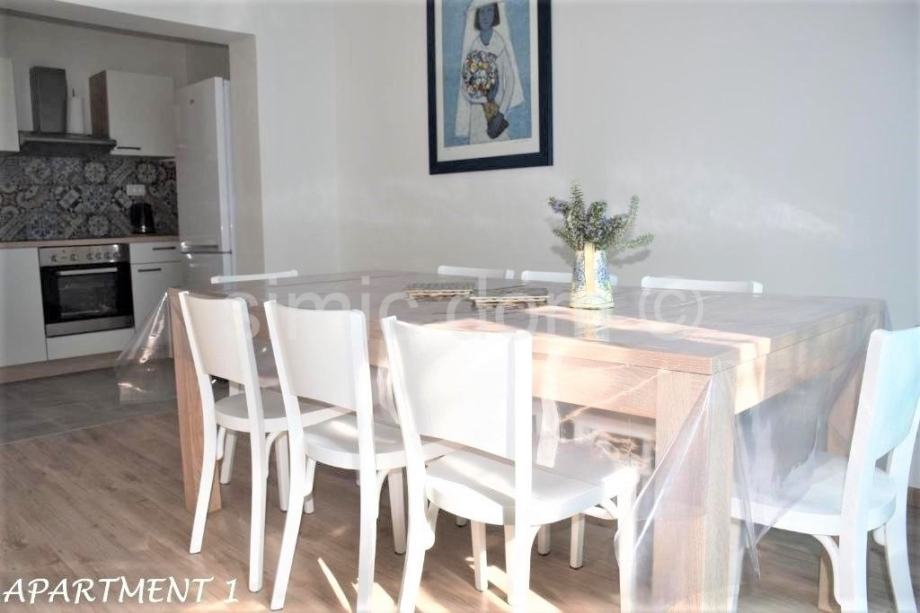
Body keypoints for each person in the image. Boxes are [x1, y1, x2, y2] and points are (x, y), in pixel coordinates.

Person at [455, 0, 524, 144]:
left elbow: (510, 80)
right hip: (477, 116)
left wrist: (501, 113)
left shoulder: (499, 43)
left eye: (489, 11)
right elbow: (465, 85)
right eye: (482, 12)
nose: (485, 16)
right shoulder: (474, 46)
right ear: (477, 15)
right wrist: (483, 99)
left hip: (497, 115)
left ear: (495, 13)